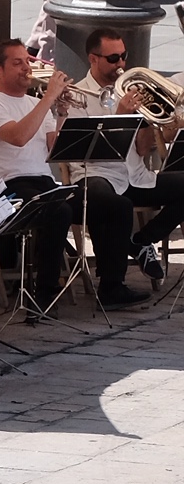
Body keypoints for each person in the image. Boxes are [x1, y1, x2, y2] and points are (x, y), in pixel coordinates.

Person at [0, 38, 88, 308]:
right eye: (17, 62)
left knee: (105, 203)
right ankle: (44, 293)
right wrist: (48, 99)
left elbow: (54, 149)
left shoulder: (36, 104)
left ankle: (112, 283)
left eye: (28, 61)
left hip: (42, 181)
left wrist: (61, 112)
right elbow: (19, 137)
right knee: (59, 210)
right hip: (7, 188)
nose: (27, 67)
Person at [71, 26, 182, 299]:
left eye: (123, 56)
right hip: (96, 175)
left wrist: (144, 118)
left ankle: (143, 239)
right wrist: (120, 115)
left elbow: (142, 149)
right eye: (113, 59)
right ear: (93, 59)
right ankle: (112, 286)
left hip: (135, 175)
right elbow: (93, 151)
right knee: (116, 205)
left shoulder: (128, 92)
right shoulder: (78, 95)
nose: (120, 64)